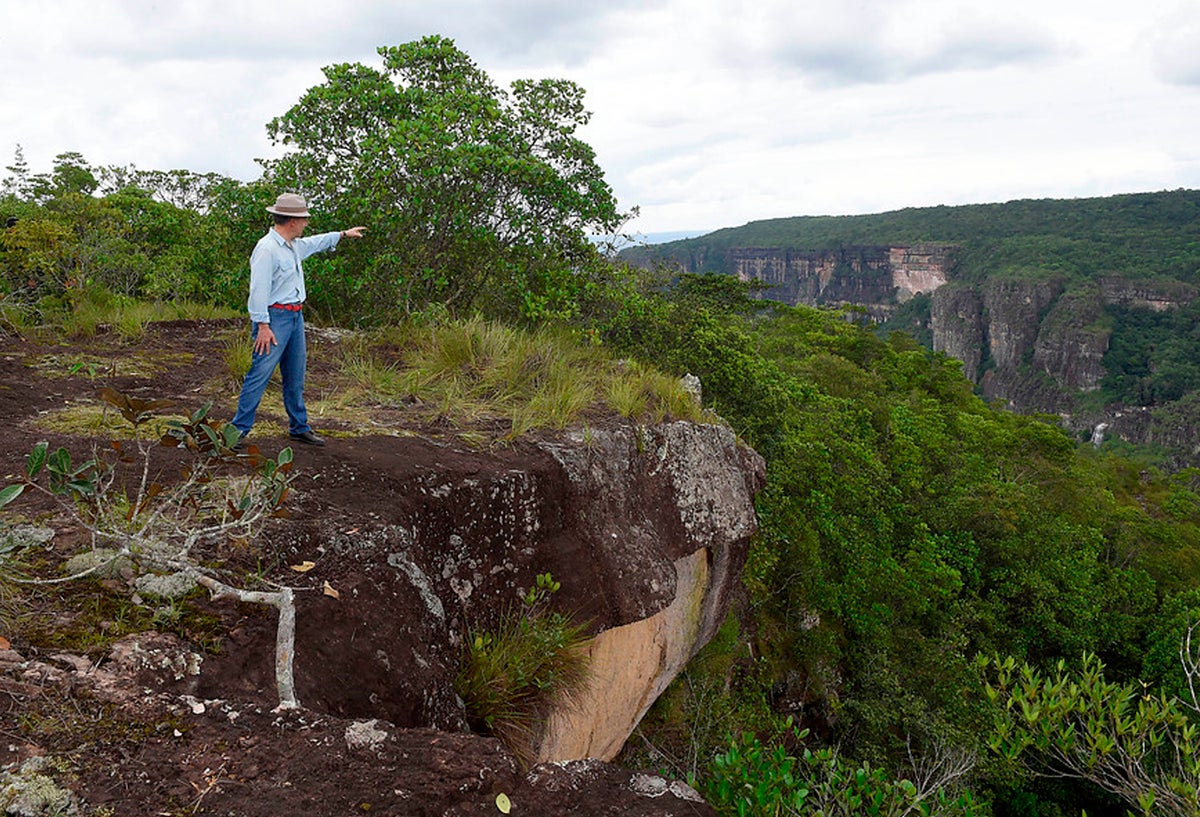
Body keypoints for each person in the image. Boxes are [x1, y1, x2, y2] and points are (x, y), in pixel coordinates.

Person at [230, 193, 365, 447]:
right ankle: (237, 430)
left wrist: (342, 235)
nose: (306, 223)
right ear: (292, 221)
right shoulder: (267, 249)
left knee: (295, 375)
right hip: (274, 319)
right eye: (303, 219)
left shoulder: (293, 246)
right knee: (260, 374)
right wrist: (263, 325)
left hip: (294, 316)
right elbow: (258, 290)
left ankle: (299, 427)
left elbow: (315, 242)